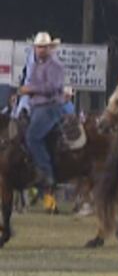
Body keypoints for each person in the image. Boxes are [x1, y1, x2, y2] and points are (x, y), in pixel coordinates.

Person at [21, 32, 65, 194]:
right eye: (38, 47)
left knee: (32, 136)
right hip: (36, 106)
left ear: (49, 48)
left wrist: (30, 89)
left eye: (43, 47)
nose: (40, 50)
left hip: (50, 106)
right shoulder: (37, 64)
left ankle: (46, 172)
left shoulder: (55, 65)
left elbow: (53, 88)